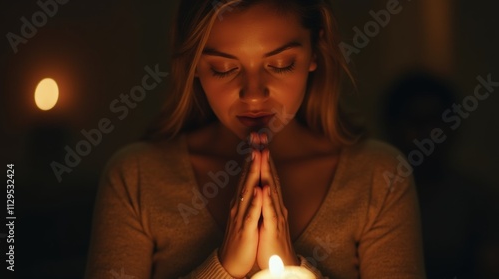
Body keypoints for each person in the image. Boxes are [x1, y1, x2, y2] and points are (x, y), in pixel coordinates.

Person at [85, 0, 426, 278]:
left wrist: (292, 269)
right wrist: (221, 269)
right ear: (194, 66)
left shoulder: (379, 177)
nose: (252, 95)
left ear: (315, 54)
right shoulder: (136, 177)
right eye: (223, 68)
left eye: (279, 64)